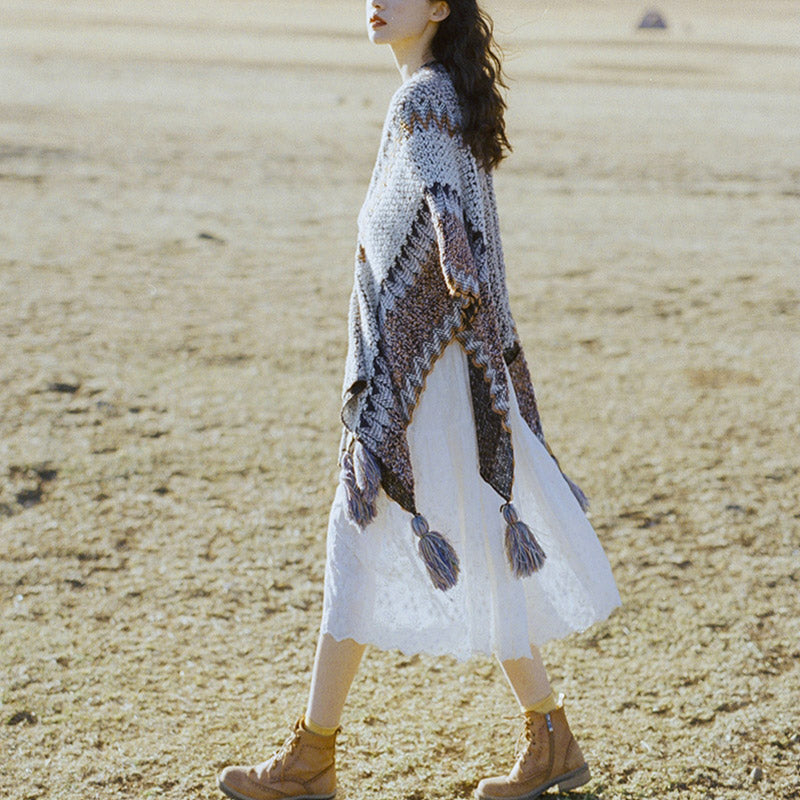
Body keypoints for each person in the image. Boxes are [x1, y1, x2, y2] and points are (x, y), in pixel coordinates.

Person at [217, 1, 621, 798]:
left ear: (439, 6)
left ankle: (313, 759)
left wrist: (450, 241)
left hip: (422, 381)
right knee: (447, 544)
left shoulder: (422, 100)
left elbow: (444, 204)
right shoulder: (438, 93)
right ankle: (550, 739)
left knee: (354, 542)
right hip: (445, 374)